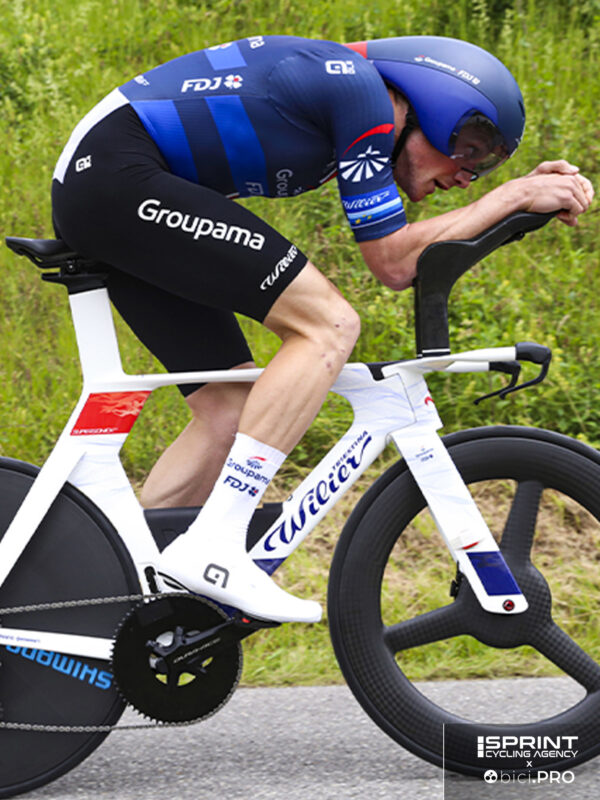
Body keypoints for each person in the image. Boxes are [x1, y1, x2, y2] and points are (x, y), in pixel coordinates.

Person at [51, 34, 594, 624]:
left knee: (230, 412)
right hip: (118, 176)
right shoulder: (361, 95)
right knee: (328, 325)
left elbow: (405, 257)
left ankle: (124, 602)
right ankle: (215, 543)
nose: (471, 175)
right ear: (434, 106)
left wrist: (511, 203)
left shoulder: (352, 94)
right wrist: (513, 195)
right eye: (473, 149)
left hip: (111, 185)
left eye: (487, 166)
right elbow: (394, 263)